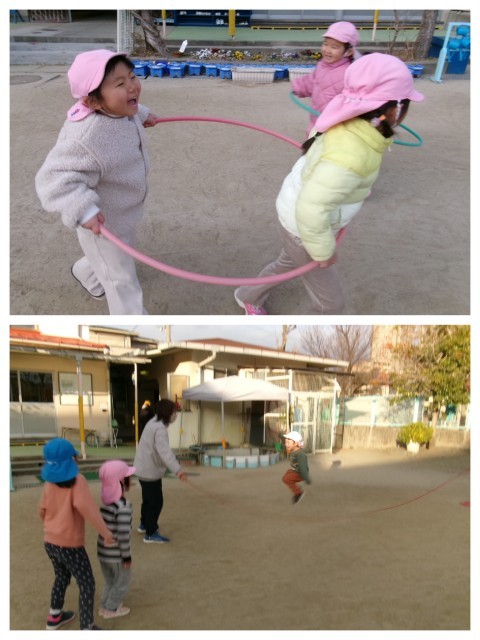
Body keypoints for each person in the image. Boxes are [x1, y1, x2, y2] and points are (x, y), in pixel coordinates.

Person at [234, 53, 424, 315]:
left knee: (288, 261)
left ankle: (247, 295)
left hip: (295, 214)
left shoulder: (347, 119)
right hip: (303, 226)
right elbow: (311, 209)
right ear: (394, 109)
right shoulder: (350, 154)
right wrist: (323, 252)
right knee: (331, 305)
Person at [35, 49, 159, 315]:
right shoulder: (86, 136)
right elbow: (53, 178)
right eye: (120, 83)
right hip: (101, 224)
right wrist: (84, 210)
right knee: (122, 281)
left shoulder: (119, 110)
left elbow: (127, 111)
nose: (133, 86)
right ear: (92, 101)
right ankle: (134, 323)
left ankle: (86, 273)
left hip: (123, 212)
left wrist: (142, 113)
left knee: (115, 256)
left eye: (132, 76)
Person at [39, 438, 115, 631]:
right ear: (71, 460)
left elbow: (42, 510)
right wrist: (106, 533)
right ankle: (87, 627)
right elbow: (88, 509)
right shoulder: (78, 481)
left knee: (61, 576)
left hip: (49, 542)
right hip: (70, 546)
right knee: (87, 583)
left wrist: (53, 527)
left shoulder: (48, 482)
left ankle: (54, 616)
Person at [291, 21, 360, 135]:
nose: (327, 50)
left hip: (336, 126)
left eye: (334, 47)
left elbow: (354, 101)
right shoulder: (322, 65)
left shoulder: (349, 73)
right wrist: (300, 86)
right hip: (316, 121)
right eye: (325, 44)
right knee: (313, 141)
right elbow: (312, 81)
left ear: (349, 52)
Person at [134, 399, 187, 543]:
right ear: (167, 413)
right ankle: (150, 533)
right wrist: (178, 470)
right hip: (149, 471)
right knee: (156, 502)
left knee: (148, 500)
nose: (175, 415)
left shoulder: (153, 422)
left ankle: (144, 524)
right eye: (174, 412)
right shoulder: (159, 429)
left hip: (144, 469)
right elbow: (165, 453)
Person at [97, 460, 136, 620]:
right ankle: (111, 609)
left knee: (110, 581)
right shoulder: (123, 507)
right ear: (121, 482)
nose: (130, 480)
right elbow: (123, 534)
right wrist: (126, 557)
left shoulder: (106, 504)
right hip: (117, 555)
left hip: (103, 553)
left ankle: (104, 605)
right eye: (128, 478)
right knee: (122, 582)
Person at [282, 430, 311, 504]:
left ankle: (299, 493)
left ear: (296, 443)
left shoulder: (300, 455)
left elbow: (303, 468)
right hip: (295, 470)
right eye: (286, 442)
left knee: (286, 479)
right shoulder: (293, 450)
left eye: (288, 443)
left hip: (300, 473)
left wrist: (307, 479)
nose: (286, 444)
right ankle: (297, 488)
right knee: (287, 473)